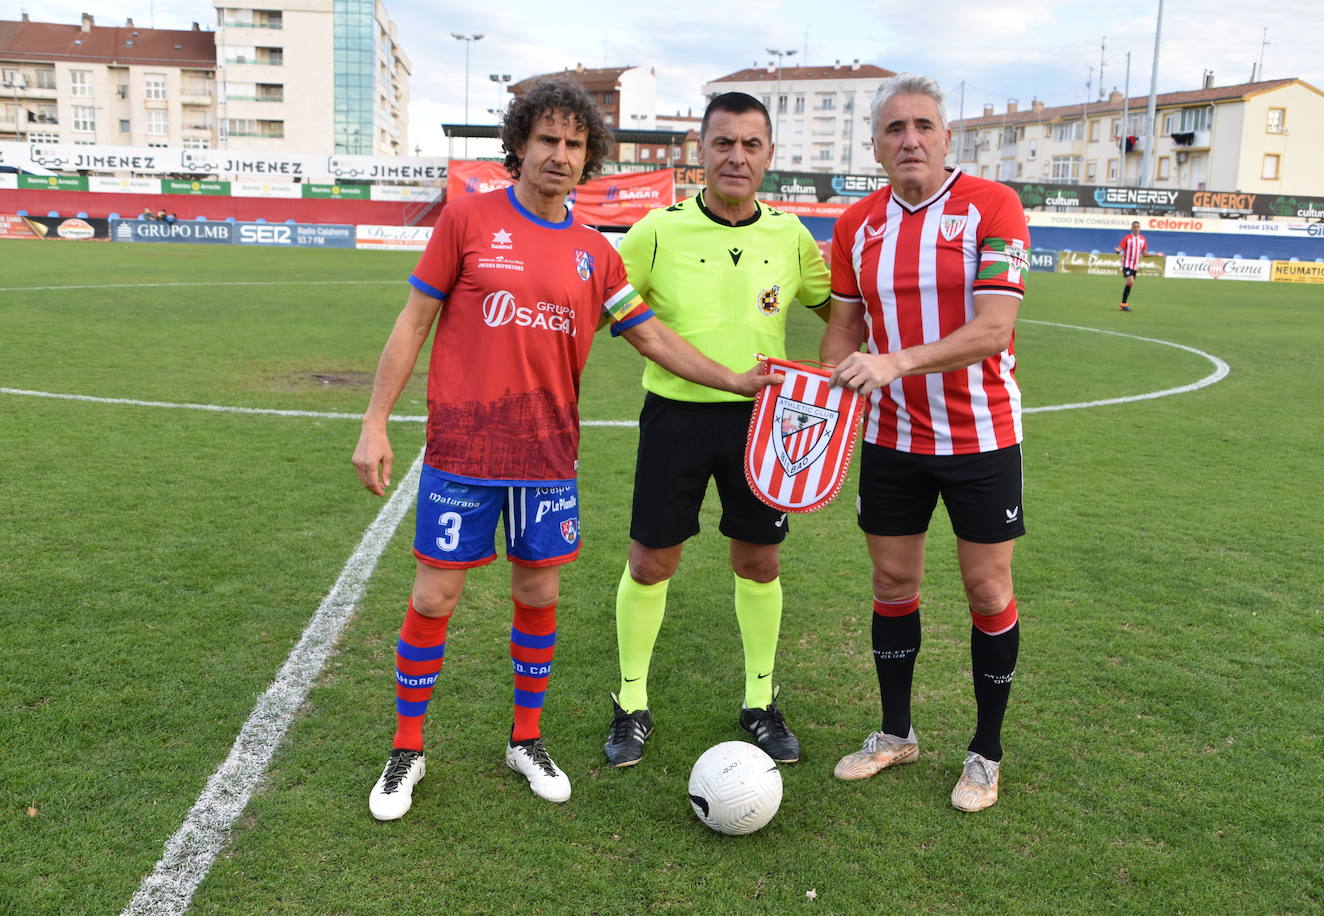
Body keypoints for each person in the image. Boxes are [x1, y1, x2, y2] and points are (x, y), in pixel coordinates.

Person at [352, 78, 778, 821]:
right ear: (519, 145)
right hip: (463, 451)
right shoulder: (467, 220)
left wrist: (735, 380)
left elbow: (650, 337)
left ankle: (525, 740)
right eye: (546, 140)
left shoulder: (594, 254)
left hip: (547, 456)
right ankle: (407, 750)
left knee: (538, 594)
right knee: (434, 596)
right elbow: (413, 321)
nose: (559, 155)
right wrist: (374, 423)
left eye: (574, 144)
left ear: (590, 157)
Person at [601, 92, 831, 769]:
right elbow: (602, 307)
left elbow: (840, 307)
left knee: (759, 560)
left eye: (751, 145)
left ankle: (760, 701)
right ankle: (631, 702)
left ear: (768, 156)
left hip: (764, 425)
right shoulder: (654, 232)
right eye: (723, 143)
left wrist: (838, 378)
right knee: (651, 560)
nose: (737, 157)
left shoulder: (791, 237)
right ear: (699, 151)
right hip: (674, 418)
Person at [821, 74, 1030, 812]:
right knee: (892, 586)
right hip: (891, 440)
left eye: (923, 125)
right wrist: (823, 400)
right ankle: (895, 733)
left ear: (947, 138)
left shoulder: (992, 206)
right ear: (876, 146)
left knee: (987, 589)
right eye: (894, 129)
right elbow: (845, 328)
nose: (910, 139)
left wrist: (896, 361)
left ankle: (985, 752)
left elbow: (993, 329)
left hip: (981, 439)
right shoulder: (857, 225)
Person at [1115, 221, 1148, 311]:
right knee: (1131, 281)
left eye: (1137, 227)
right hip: (1126, 264)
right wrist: (1118, 250)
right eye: (1134, 227)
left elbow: (1145, 254)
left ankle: (1123, 304)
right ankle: (1123, 304)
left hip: (1134, 266)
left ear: (1140, 228)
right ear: (1131, 228)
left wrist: (1157, 255)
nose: (1136, 228)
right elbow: (1120, 248)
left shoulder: (1143, 239)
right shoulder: (1127, 238)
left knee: (1130, 284)